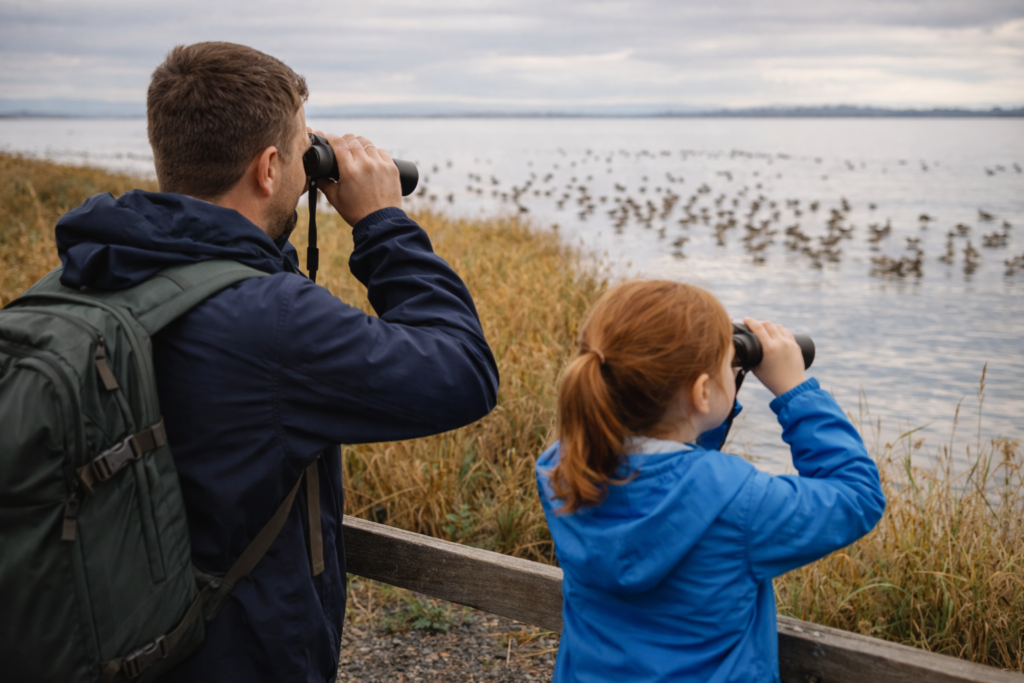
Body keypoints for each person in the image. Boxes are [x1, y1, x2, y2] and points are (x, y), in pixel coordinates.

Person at [54, 42, 499, 682]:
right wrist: (383, 223)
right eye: (297, 153)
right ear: (269, 169)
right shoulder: (274, 323)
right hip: (233, 656)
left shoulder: (91, 267)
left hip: (105, 640)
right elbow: (464, 373)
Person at [535, 280, 885, 682]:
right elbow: (857, 495)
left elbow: (670, 466)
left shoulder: (562, 470)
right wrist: (795, 389)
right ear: (701, 392)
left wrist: (715, 382)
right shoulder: (740, 503)